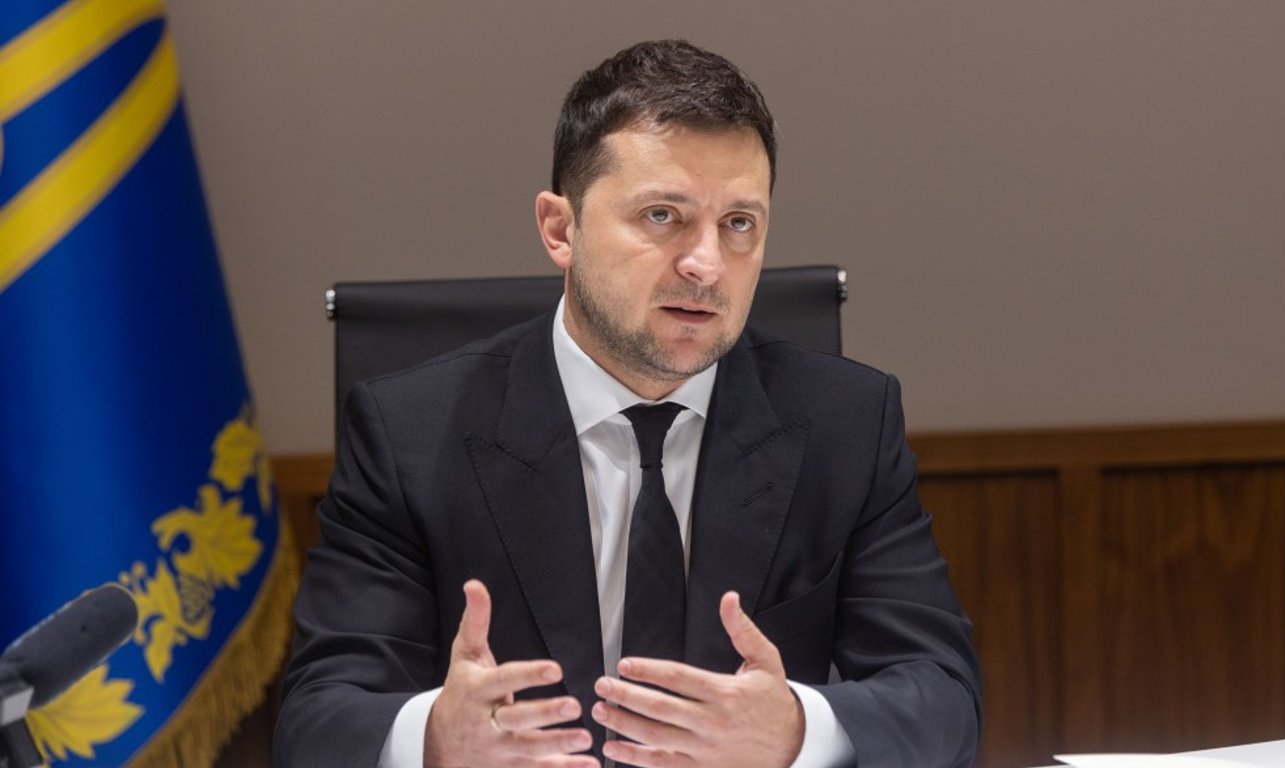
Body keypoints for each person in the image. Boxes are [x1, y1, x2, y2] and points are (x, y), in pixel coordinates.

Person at [276, 39, 981, 768]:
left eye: (739, 223)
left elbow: (944, 698)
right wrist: (434, 739)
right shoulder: (410, 435)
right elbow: (318, 722)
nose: (706, 264)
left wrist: (797, 728)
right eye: (662, 216)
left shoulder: (847, 424)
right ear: (560, 229)